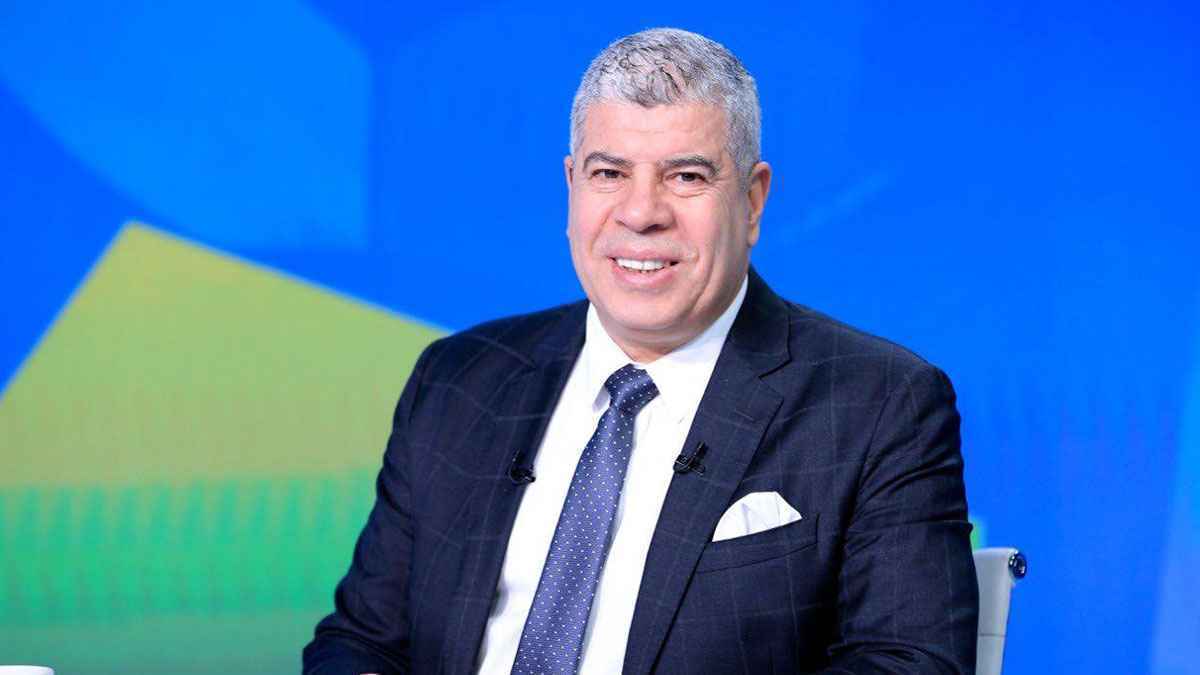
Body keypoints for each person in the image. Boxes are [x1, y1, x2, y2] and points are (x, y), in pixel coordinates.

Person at [303, 27, 978, 674]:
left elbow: (909, 661)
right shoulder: (458, 379)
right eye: (609, 173)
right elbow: (360, 639)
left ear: (752, 201)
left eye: (685, 177)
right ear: (572, 185)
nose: (641, 212)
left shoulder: (879, 404)